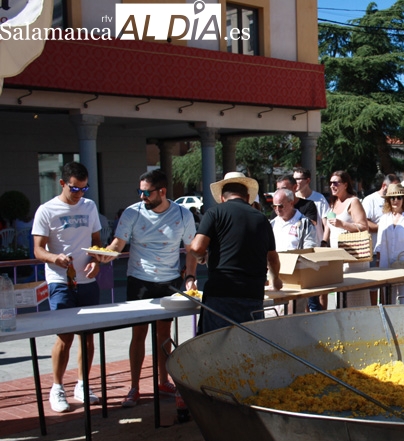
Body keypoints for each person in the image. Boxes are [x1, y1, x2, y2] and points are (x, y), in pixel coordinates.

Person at [104, 170, 198, 408]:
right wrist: (104, 256)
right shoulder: (132, 212)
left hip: (168, 282)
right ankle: (134, 387)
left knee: (164, 335)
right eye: (140, 191)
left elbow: (191, 250)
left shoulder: (182, 214)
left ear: (162, 192)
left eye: (146, 192)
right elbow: (117, 244)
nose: (142, 196)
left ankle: (163, 381)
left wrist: (190, 277)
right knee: (139, 334)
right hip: (139, 280)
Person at [32, 162, 103, 413]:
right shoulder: (46, 210)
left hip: (87, 281)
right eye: (75, 188)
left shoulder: (90, 206)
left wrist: (96, 261)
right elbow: (38, 249)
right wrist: (55, 258)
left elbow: (97, 242)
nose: (79, 194)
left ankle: (83, 384)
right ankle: (57, 387)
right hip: (60, 281)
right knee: (65, 336)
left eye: (84, 189)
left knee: (88, 336)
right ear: (62, 183)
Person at [188, 172, 281, 333]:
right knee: (248, 348)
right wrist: (276, 279)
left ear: (223, 197)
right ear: (247, 197)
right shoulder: (261, 219)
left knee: (216, 348)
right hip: (253, 294)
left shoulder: (214, 213)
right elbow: (272, 258)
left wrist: (201, 257)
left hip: (221, 293)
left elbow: (196, 247)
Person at [323, 170, 371, 307]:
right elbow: (329, 226)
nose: (332, 186)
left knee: (356, 298)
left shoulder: (353, 201)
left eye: (336, 183)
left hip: (353, 257)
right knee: (342, 299)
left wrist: (343, 224)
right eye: (330, 183)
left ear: (345, 184)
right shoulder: (333, 202)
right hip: (338, 259)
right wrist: (323, 242)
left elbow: (364, 227)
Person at [374, 183, 404, 304]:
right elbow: (379, 244)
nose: (396, 200)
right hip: (386, 262)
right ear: (388, 200)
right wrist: (378, 264)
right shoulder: (384, 218)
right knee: (387, 298)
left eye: (399, 197)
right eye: (392, 198)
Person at [293, 166, 329, 311]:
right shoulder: (292, 200)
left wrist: (324, 242)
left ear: (307, 180)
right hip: (300, 250)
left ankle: (323, 315)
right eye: (294, 178)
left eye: (298, 179)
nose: (296, 182)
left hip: (318, 247)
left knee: (320, 287)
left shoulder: (319, 198)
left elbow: (327, 223)